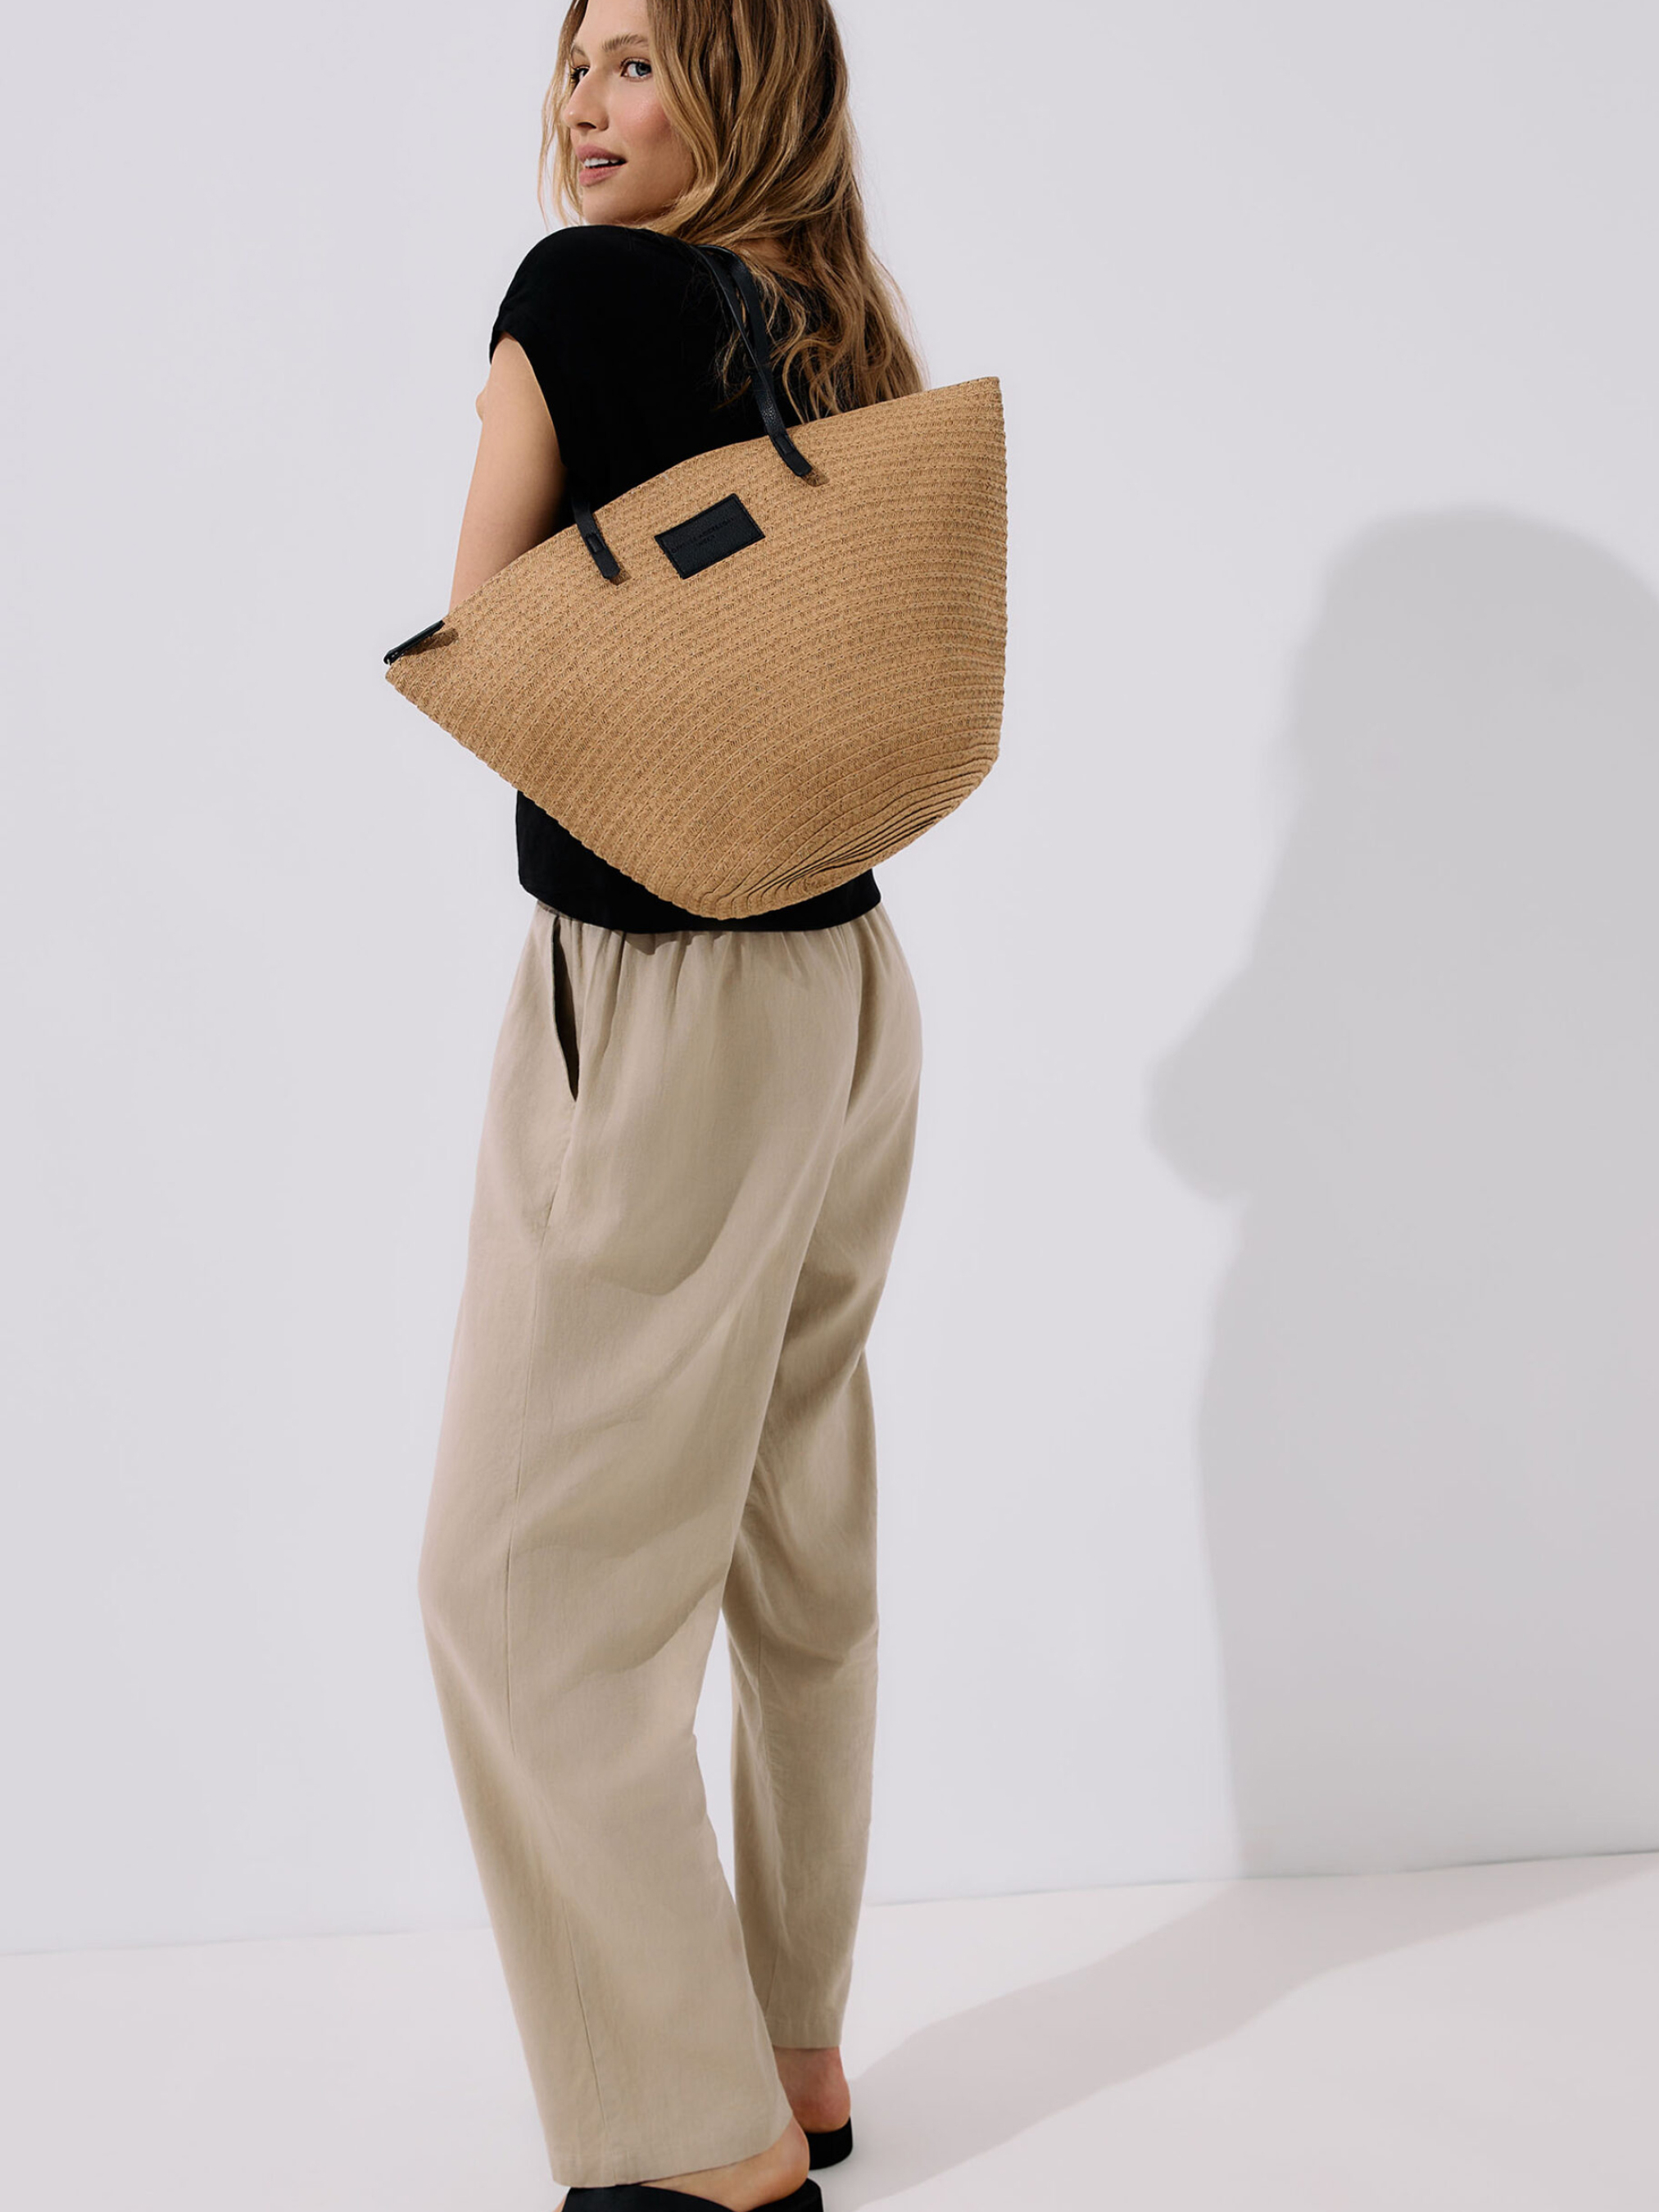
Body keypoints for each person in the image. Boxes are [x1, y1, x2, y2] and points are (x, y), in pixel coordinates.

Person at [415, 2, 927, 2205]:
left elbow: (488, 649)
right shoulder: (844, 327)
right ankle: (792, 2044)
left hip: (655, 985)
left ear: (746, 79)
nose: (584, 103)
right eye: (576, 62)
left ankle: (695, 2139)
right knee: (791, 1531)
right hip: (845, 984)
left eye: (637, 60)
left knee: (518, 1582)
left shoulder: (582, 292)